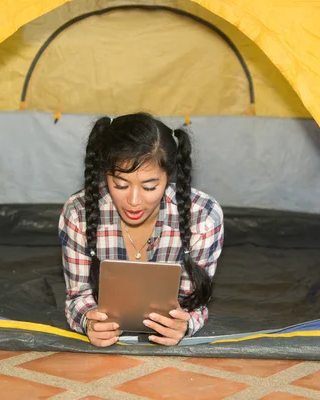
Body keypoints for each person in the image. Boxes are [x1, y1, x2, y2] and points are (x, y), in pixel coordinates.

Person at [58, 112, 224, 347]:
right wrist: (88, 321)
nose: (134, 201)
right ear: (105, 175)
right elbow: (78, 296)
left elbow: (193, 304)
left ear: (168, 177)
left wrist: (183, 324)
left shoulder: (203, 217)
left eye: (150, 186)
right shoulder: (78, 214)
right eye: (120, 185)